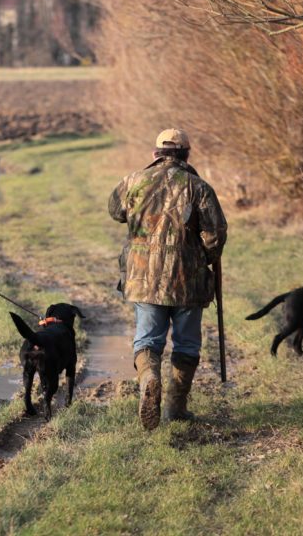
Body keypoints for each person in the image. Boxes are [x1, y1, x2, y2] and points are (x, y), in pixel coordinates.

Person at [108, 129, 227, 430]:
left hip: (142, 277)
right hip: (187, 279)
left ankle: (149, 378)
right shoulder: (198, 187)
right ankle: (176, 408)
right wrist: (206, 259)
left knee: (148, 338)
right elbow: (216, 233)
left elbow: (115, 211)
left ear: (155, 154)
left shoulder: (132, 182)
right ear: (186, 154)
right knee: (186, 342)